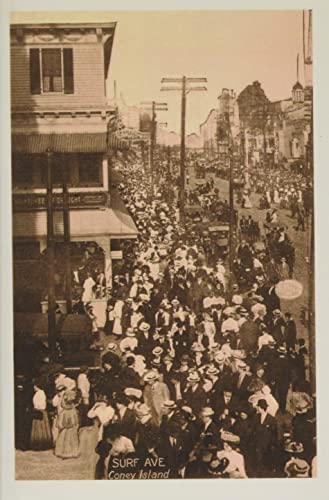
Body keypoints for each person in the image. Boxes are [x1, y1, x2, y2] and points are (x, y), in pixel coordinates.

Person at [54, 388, 80, 459]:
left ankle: (65, 453)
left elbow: (60, 422)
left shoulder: (64, 412)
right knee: (69, 439)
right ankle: (70, 452)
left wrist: (60, 426)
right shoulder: (72, 411)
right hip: (70, 428)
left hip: (67, 428)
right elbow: (76, 421)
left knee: (65, 439)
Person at [30, 378, 52, 451]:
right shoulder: (39, 392)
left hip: (40, 411)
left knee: (40, 428)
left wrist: (37, 408)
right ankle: (39, 444)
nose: (34, 387)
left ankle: (41, 444)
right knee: (39, 428)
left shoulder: (41, 393)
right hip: (38, 410)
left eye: (35, 386)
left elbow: (41, 404)